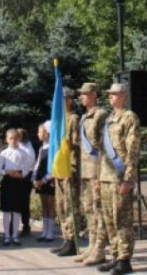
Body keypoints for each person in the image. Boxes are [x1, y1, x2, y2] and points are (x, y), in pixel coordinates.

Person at [97, 83, 141, 275]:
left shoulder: (129, 117)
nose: (111, 97)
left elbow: (133, 149)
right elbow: (101, 151)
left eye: (114, 94)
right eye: (109, 95)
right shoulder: (108, 120)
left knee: (122, 219)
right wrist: (99, 178)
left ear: (124, 96)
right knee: (109, 219)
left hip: (120, 176)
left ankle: (124, 259)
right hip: (106, 177)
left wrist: (128, 178)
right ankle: (115, 255)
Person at [76, 82, 108, 266]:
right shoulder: (84, 117)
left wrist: (99, 174)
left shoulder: (100, 115)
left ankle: (100, 248)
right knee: (89, 209)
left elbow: (104, 147)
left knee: (98, 210)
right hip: (85, 170)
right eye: (81, 94)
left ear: (94, 95)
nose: (82, 97)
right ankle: (92, 245)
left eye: (85, 94)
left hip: (96, 169)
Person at [51, 86, 81, 257]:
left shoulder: (73, 119)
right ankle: (65, 238)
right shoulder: (58, 120)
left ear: (69, 100)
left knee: (70, 207)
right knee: (61, 206)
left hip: (69, 169)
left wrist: (72, 168)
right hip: (59, 169)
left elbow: (76, 146)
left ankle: (72, 241)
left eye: (62, 99)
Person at [0, 129, 33, 246]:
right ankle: (7, 235)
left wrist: (21, 174)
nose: (13, 140)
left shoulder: (23, 153)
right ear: (6, 139)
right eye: (11, 138)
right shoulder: (4, 153)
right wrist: (6, 172)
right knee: (7, 210)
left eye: (15, 138)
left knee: (17, 210)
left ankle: (15, 235)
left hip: (19, 181)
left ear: (19, 139)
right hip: (8, 181)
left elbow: (27, 167)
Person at [32, 122, 55, 243]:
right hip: (40, 179)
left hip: (49, 179)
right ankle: (44, 232)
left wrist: (44, 180)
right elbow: (38, 164)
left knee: (50, 205)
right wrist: (35, 178)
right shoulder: (42, 148)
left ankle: (50, 233)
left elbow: (54, 167)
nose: (38, 134)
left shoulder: (53, 147)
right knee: (44, 206)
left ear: (46, 133)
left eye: (40, 131)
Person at [17, 128, 36, 236]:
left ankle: (26, 226)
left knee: (24, 203)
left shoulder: (29, 149)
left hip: (25, 176)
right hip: (18, 175)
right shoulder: (20, 146)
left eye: (18, 136)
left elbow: (29, 164)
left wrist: (22, 175)